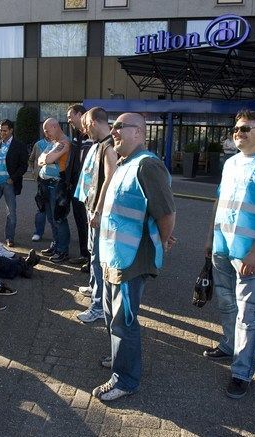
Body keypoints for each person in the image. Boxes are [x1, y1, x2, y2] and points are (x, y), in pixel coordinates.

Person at [203, 109, 255, 399]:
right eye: (236, 128)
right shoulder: (231, 163)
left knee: (248, 314)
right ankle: (228, 345)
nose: (239, 133)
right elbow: (220, 201)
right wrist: (210, 239)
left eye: (245, 128)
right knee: (226, 303)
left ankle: (242, 372)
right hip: (223, 246)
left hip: (249, 252)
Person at [93, 113, 176, 401]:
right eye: (112, 126)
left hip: (131, 260)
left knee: (123, 321)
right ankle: (120, 358)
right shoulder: (125, 163)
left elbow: (166, 213)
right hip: (113, 257)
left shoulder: (147, 165)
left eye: (119, 127)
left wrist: (161, 242)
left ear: (139, 133)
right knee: (110, 315)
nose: (113, 131)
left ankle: (126, 379)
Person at [75, 107, 117, 324]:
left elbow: (109, 180)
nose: (84, 131)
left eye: (85, 126)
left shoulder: (109, 147)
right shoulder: (101, 145)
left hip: (100, 213)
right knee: (94, 254)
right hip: (93, 208)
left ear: (92, 122)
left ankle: (99, 305)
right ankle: (94, 290)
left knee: (100, 258)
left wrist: (98, 211)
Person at [0, 119, 29, 247]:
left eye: (5, 130)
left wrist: (12, 178)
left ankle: (10, 237)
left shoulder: (19, 145)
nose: (2, 133)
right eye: (0, 130)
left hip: (9, 184)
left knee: (11, 213)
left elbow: (24, 166)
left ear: (11, 130)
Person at [38, 118, 72, 264]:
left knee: (59, 218)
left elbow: (49, 159)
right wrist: (46, 158)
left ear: (55, 126)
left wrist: (47, 158)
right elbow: (40, 159)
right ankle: (56, 245)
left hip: (57, 185)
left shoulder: (64, 142)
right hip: (46, 184)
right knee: (51, 218)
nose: (46, 134)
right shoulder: (54, 143)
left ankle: (63, 250)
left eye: (47, 130)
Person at [66, 104, 94, 266]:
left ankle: (92, 259)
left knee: (89, 223)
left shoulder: (92, 136)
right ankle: (85, 255)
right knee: (80, 222)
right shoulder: (76, 134)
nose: (69, 120)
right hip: (76, 186)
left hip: (88, 189)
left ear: (81, 115)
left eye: (71, 116)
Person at [29, 136, 54, 241]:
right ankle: (38, 232)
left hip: (55, 181)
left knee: (54, 209)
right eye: (45, 130)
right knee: (41, 208)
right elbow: (31, 159)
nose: (47, 132)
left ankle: (56, 236)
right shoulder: (38, 144)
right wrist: (34, 172)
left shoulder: (62, 143)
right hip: (41, 181)